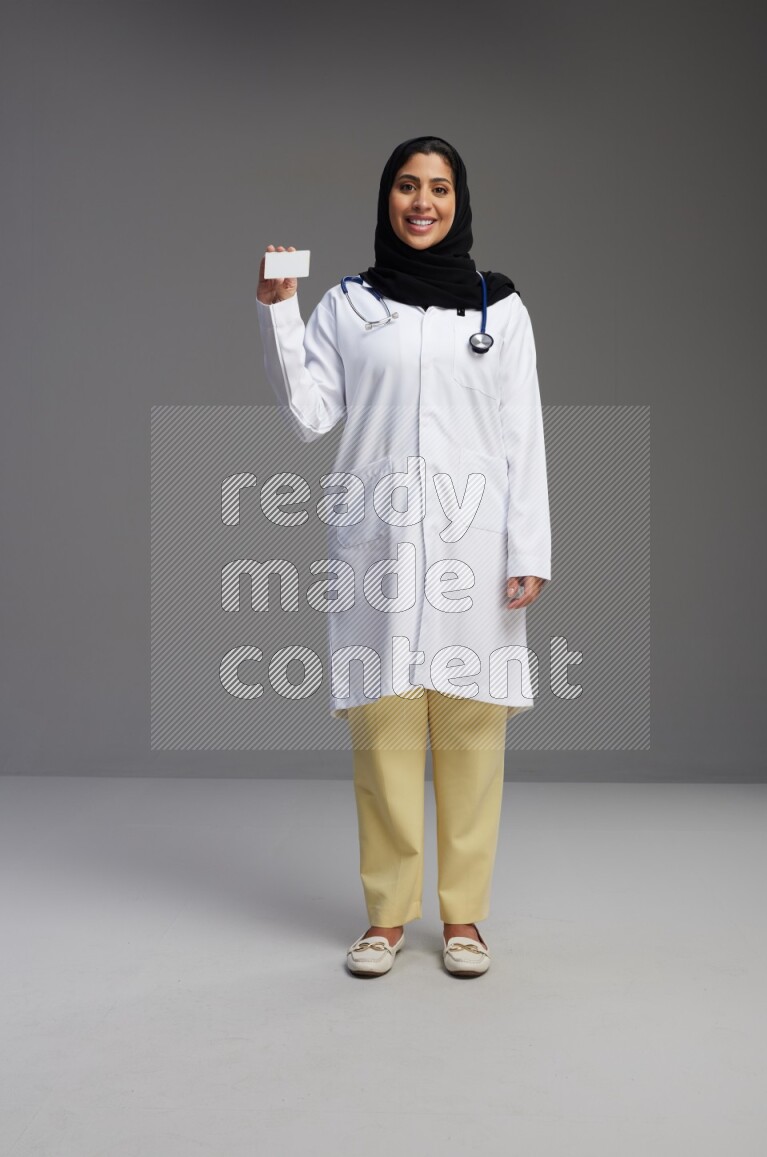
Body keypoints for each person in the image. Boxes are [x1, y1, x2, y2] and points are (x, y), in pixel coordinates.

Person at [255, 135, 551, 978]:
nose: (423, 202)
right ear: (387, 198)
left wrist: (529, 546)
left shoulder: (500, 309)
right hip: (378, 544)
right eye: (408, 186)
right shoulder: (351, 305)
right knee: (384, 733)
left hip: (475, 547)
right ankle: (386, 918)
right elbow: (310, 415)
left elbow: (523, 433)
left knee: (469, 737)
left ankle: (464, 918)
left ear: (460, 201)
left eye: (440, 188)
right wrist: (279, 311)